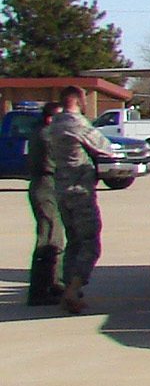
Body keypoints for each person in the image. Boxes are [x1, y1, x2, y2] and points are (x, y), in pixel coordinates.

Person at [43, 85, 123, 314]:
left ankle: (70, 291)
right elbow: (106, 148)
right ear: (78, 101)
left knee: (74, 242)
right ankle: (73, 289)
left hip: (61, 190)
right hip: (80, 191)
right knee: (90, 243)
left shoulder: (54, 125)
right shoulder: (77, 124)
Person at [23, 102, 64, 306]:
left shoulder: (40, 131)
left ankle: (54, 284)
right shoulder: (46, 136)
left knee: (56, 237)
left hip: (46, 184)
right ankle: (39, 291)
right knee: (48, 239)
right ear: (50, 119)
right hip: (46, 185)